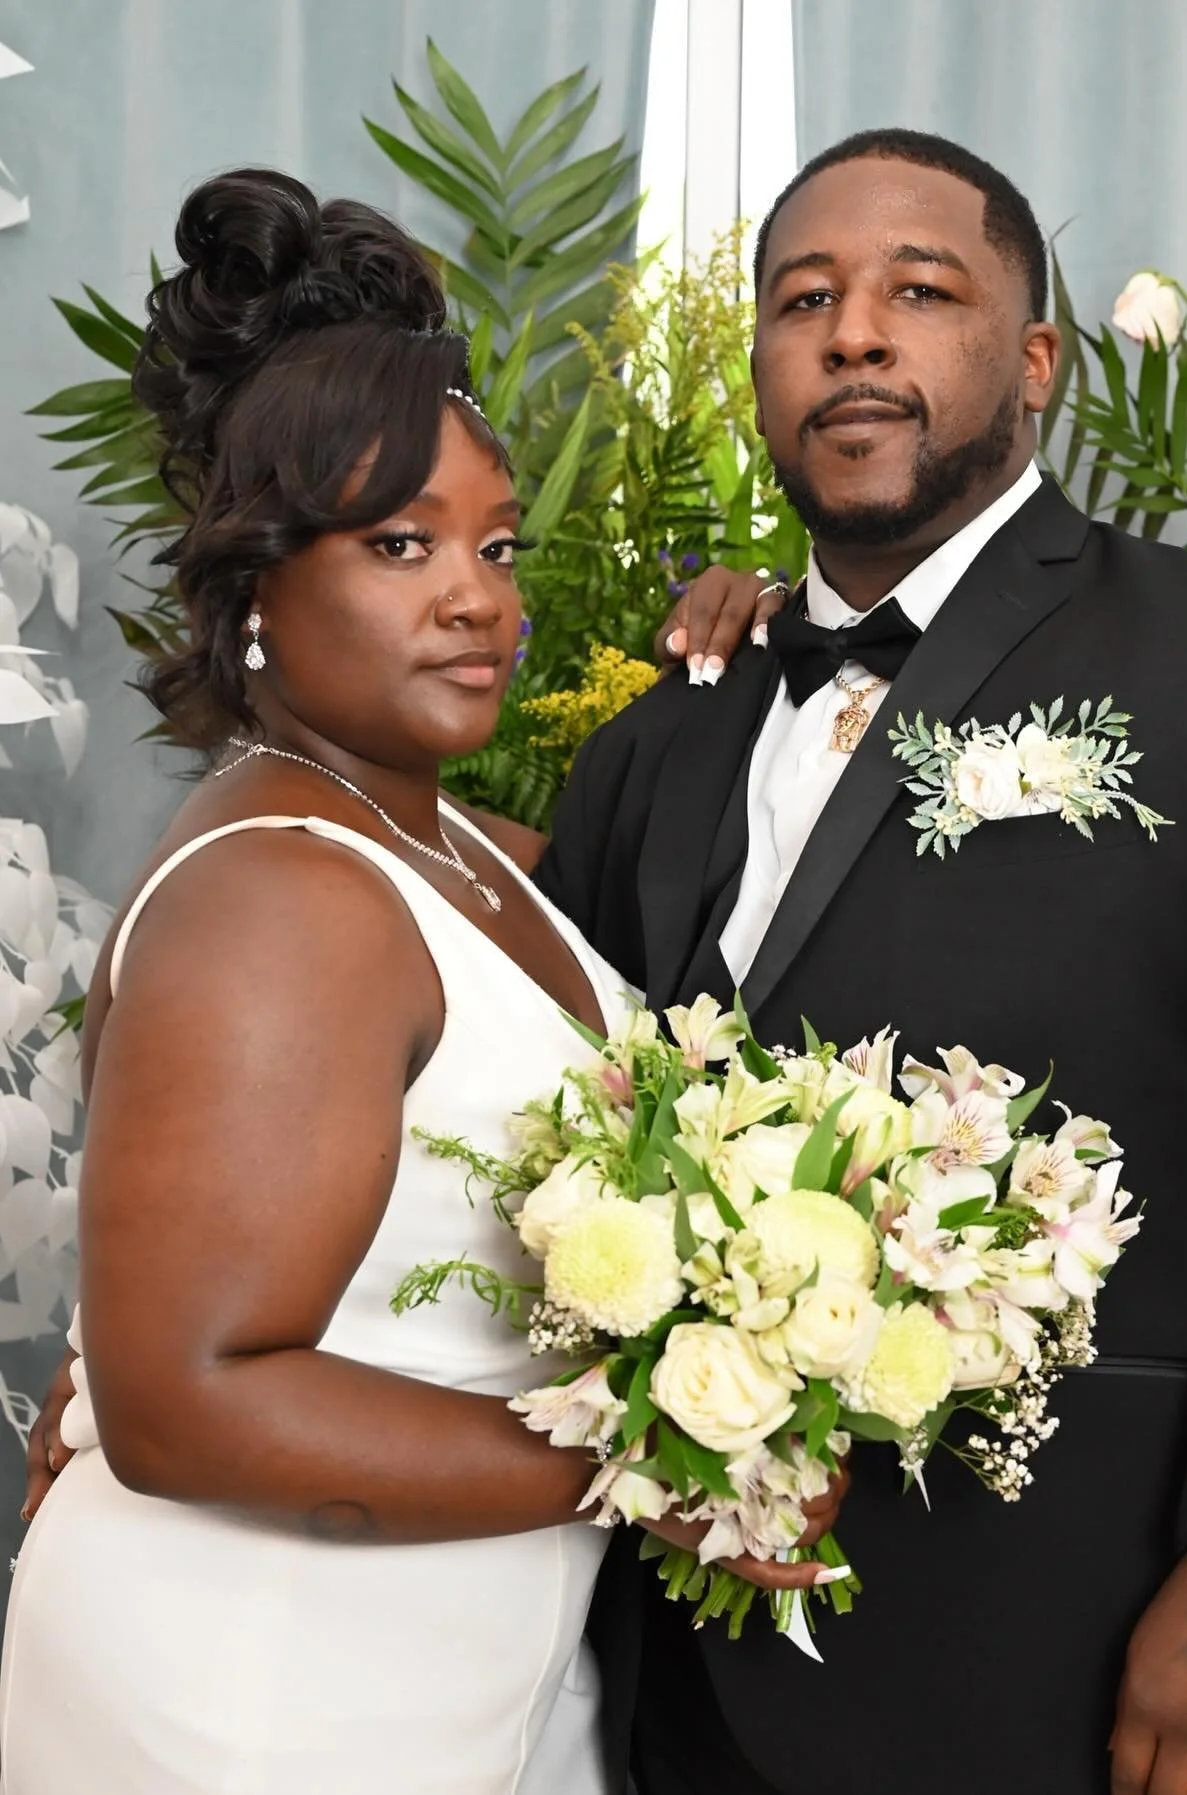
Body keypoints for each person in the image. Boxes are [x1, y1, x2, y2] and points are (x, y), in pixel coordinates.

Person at [527, 131, 1187, 1795]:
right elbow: (524, 1121)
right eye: (805, 299)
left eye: (918, 291)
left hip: (1072, 1656)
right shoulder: (658, 739)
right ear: (762, 371)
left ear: (1035, 364)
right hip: (670, 1683)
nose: (854, 333)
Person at [0, 168, 830, 1795]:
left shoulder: (443, 842)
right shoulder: (278, 895)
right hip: (260, 1693)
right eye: (401, 543)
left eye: (498, 544)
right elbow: (185, 1404)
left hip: (456, 1669)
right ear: (253, 595)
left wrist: (787, 651)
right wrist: (652, 1469)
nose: (483, 599)